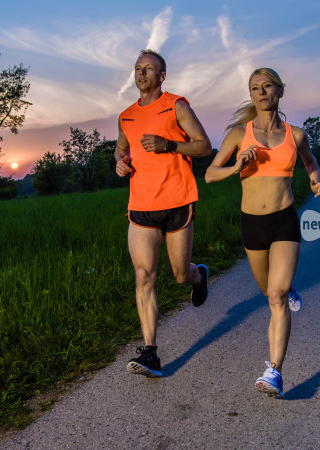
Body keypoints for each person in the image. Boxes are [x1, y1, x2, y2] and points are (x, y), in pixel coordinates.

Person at [205, 67, 320, 398]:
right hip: (252, 224)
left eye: (267, 86)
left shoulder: (296, 134)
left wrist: (315, 181)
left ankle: (274, 372)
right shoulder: (237, 134)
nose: (261, 92)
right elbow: (210, 174)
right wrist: (235, 166)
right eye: (255, 87)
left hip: (284, 221)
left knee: (275, 296)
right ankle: (286, 291)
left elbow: (310, 162)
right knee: (268, 291)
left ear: (280, 91)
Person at [115, 49, 213, 378]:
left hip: (177, 200)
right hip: (141, 205)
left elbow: (204, 146)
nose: (142, 73)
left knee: (180, 274)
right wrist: (120, 161)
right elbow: (121, 146)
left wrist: (169, 145)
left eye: (149, 69)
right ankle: (150, 353)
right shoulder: (126, 115)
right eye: (138, 68)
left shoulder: (176, 106)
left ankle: (199, 275)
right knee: (144, 276)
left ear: (162, 76)